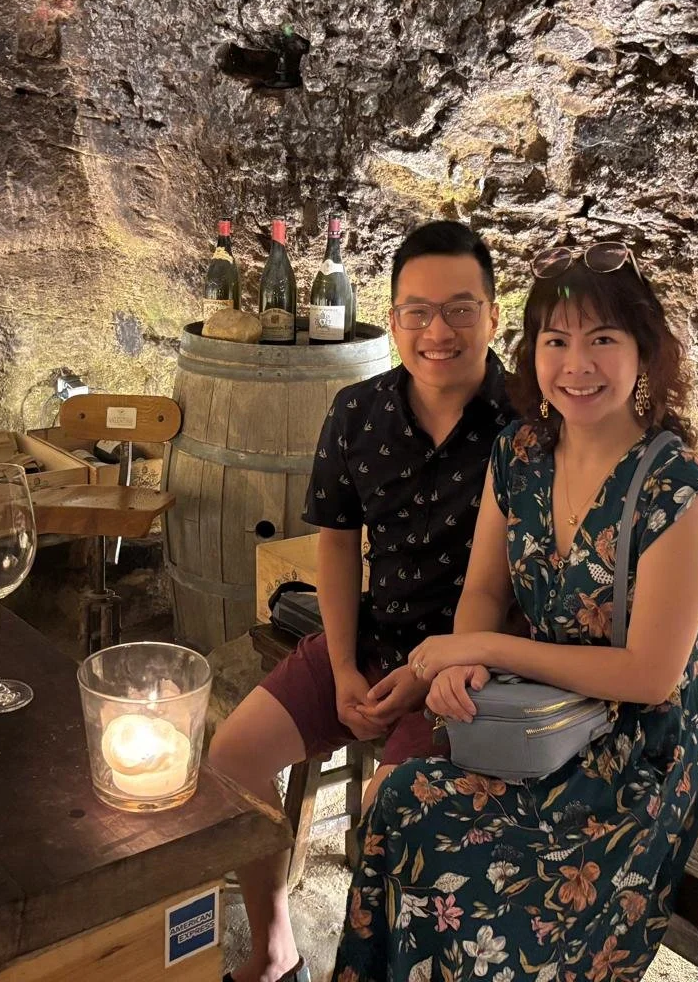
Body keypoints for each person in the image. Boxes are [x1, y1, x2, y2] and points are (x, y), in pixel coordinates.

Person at [331, 240, 698, 982]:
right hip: (535, 718)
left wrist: (484, 651)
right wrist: (464, 661)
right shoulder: (520, 453)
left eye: (602, 340)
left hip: (634, 756)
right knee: (402, 802)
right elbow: (485, 591)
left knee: (486, 893)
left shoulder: (678, 490)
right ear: (532, 352)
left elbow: (649, 676)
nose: (577, 365)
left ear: (643, 352)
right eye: (556, 341)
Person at [210, 221, 517, 982]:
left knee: (389, 815)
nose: (437, 332)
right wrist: (344, 666)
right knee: (230, 761)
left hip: (472, 672)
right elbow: (338, 544)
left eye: (460, 309)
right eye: (417, 311)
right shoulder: (358, 410)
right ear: (393, 316)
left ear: (493, 315)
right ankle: (276, 951)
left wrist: (425, 674)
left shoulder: (527, 426)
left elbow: (515, 590)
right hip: (377, 634)